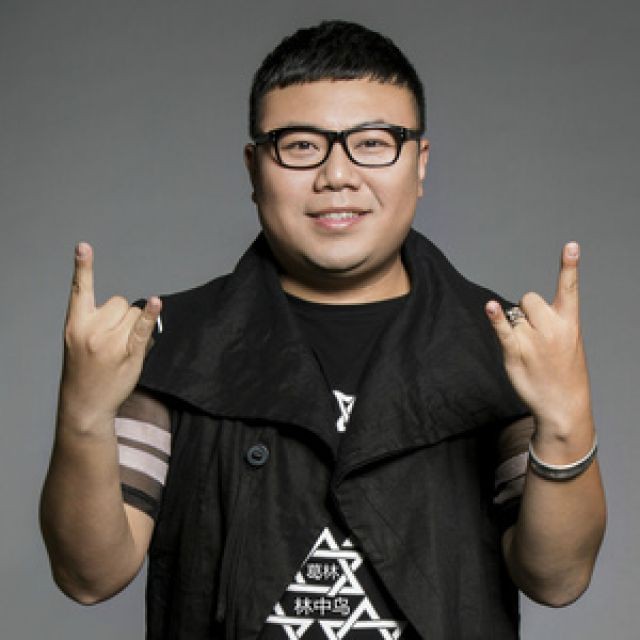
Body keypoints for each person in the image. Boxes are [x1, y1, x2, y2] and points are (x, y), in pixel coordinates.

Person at [40, 20, 606, 639]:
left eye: (373, 143)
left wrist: (565, 422)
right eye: (301, 145)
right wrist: (83, 416)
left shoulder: (505, 343)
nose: (337, 175)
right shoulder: (168, 341)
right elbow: (90, 576)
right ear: (255, 169)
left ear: (420, 164)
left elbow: (558, 579)